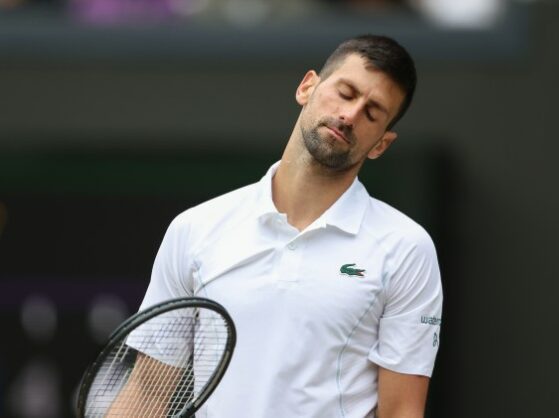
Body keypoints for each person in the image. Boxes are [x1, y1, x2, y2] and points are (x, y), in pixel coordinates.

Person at [136, 34, 443, 417]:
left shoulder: (406, 248)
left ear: (381, 144)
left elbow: (401, 413)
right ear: (307, 87)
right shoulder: (195, 229)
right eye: (346, 93)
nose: (350, 115)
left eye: (372, 113)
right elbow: (146, 396)